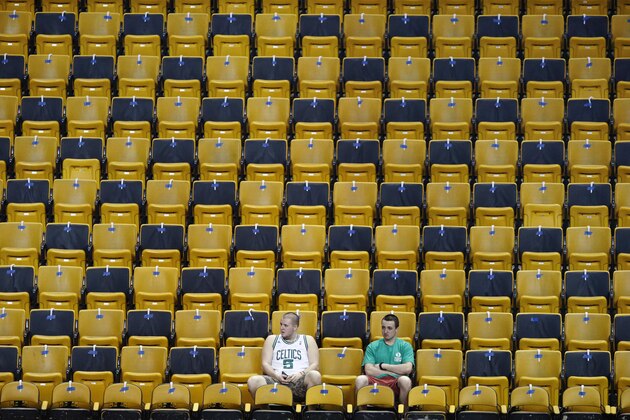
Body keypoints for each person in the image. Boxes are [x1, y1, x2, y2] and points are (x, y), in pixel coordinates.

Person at [248, 312, 322, 401]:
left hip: (299, 381)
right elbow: (265, 364)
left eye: (286, 326)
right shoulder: (272, 339)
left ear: (295, 327)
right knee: (253, 381)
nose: (282, 328)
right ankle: (266, 411)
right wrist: (276, 375)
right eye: (281, 324)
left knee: (315, 375)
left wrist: (300, 374)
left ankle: (310, 412)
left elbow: (315, 364)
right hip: (277, 380)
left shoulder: (307, 340)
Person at [355, 314, 414, 406]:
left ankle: (403, 414)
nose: (386, 331)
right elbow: (369, 370)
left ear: (396, 329)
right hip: (376, 380)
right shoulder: (372, 346)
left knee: (405, 380)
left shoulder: (405, 346)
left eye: (389, 328)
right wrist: (394, 373)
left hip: (396, 382)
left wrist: (383, 366)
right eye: (383, 327)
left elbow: (407, 369)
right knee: (360, 379)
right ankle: (361, 414)